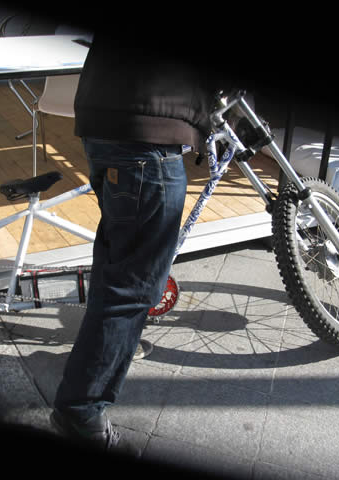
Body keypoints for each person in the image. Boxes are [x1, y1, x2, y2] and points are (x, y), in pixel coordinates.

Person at [50, 30, 217, 455]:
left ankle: (81, 396)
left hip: (106, 120)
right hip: (146, 136)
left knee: (116, 275)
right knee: (132, 288)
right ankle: (81, 411)